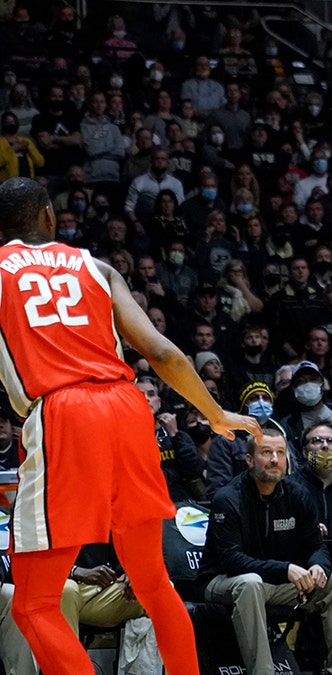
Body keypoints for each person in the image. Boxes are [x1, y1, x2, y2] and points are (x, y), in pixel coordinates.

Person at [0, 177, 262, 675]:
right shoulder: (96, 267)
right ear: (50, 217)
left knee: (33, 604)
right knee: (152, 583)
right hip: (127, 407)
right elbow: (163, 351)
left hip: (63, 414)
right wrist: (215, 413)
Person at [201, 426, 332, 674]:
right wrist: (285, 569)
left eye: (280, 453)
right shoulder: (228, 499)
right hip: (223, 582)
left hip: (275, 583)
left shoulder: (298, 495)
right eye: (266, 452)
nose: (275, 459)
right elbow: (232, 561)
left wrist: (318, 565)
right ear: (250, 460)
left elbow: (316, 546)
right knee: (250, 583)